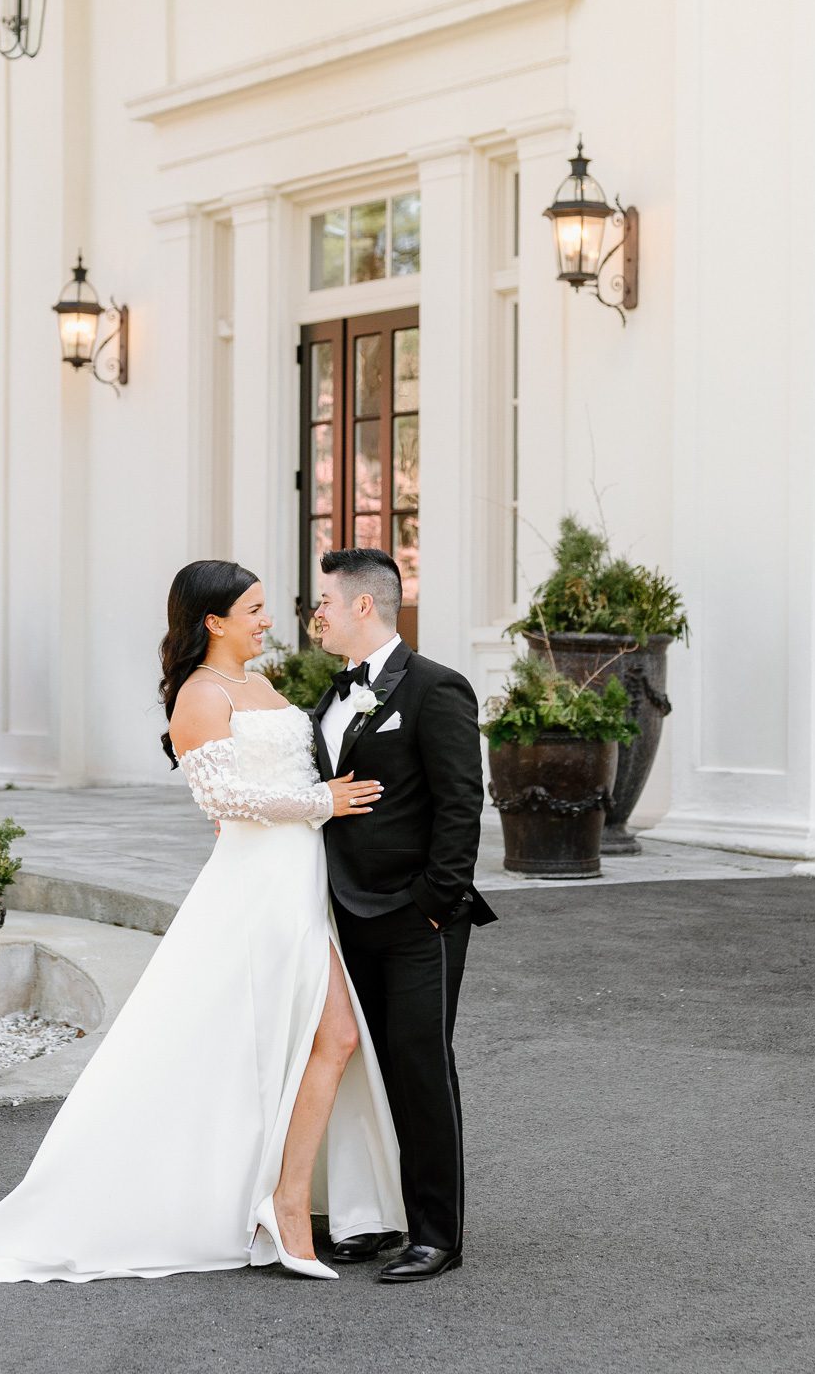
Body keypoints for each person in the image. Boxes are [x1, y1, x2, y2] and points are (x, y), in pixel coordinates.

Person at [0, 559, 404, 1284]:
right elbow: (223, 802)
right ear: (214, 621)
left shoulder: (260, 686)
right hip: (255, 890)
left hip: (298, 881)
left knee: (325, 1037)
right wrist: (323, 803)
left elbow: (287, 770)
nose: (268, 619)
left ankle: (283, 1197)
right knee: (316, 1035)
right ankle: (282, 1207)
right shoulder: (198, 697)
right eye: (254, 608)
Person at [310, 547, 497, 1282]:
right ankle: (374, 1217)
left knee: (420, 1070)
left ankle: (435, 1235)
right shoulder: (329, 694)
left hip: (416, 917)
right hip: (342, 912)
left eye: (322, 599)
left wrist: (433, 903)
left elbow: (461, 803)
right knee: (364, 1069)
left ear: (363, 605)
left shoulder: (435, 689)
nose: (314, 612)